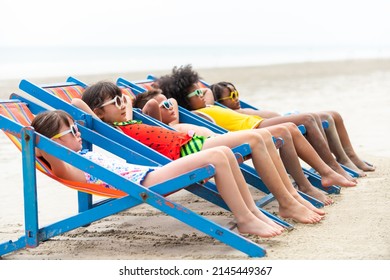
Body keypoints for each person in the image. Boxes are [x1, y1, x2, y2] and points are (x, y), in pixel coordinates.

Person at [71, 81, 326, 223]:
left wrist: (124, 102)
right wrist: (97, 111)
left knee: (260, 137)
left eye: (123, 97)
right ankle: (287, 202)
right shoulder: (109, 129)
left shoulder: (128, 121)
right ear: (99, 113)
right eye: (115, 101)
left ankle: (291, 197)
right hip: (185, 152)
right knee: (257, 138)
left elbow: (150, 107)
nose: (123, 102)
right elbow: (76, 103)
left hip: (190, 143)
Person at [31, 110, 286, 237]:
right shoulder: (67, 165)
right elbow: (45, 147)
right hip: (142, 182)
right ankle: (245, 219)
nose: (78, 133)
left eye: (76, 128)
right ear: (53, 143)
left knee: (223, 153)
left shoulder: (81, 156)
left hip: (149, 173)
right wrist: (34, 140)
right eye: (71, 132)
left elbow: (74, 110)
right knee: (218, 154)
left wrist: (65, 127)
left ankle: (251, 213)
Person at [133, 88, 357, 205]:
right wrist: (143, 101)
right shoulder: (165, 126)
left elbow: (169, 101)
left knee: (283, 129)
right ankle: (304, 187)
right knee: (282, 130)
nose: (170, 106)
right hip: (205, 149)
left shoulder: (174, 119)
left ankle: (302, 188)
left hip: (221, 142)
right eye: (164, 105)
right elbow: (152, 107)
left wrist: (167, 99)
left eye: (169, 102)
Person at [155, 64, 361, 182]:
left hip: (258, 124)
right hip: (255, 129)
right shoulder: (198, 114)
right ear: (184, 99)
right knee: (307, 119)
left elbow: (209, 91)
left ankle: (342, 161)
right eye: (196, 92)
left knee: (314, 118)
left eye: (201, 89)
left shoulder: (208, 105)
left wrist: (199, 90)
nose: (203, 92)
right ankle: (332, 168)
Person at [211, 81, 375, 174]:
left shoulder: (237, 111)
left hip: (283, 118)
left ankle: (350, 156)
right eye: (231, 97)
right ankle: (336, 163)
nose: (236, 98)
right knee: (321, 117)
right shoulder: (229, 114)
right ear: (219, 102)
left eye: (237, 94)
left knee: (334, 114)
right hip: (277, 125)